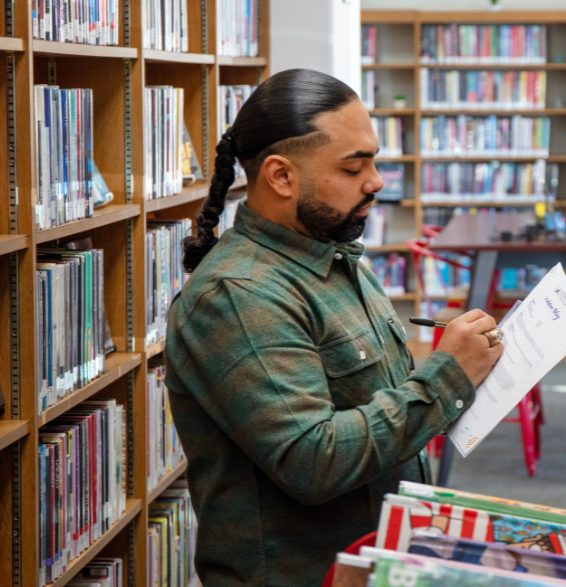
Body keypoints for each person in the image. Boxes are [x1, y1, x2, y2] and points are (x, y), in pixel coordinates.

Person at [164, 69, 504, 587]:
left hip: (378, 564)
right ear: (281, 176)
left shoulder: (334, 255)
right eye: (353, 167)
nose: (376, 180)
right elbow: (313, 460)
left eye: (374, 159)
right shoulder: (238, 295)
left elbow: (374, 404)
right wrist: (448, 377)